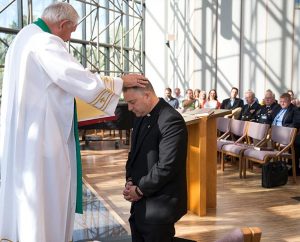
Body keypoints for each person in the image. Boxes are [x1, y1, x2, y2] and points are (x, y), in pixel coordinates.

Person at [0, 2, 147, 242]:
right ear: (62, 25)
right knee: (47, 191)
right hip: (43, 137)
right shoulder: (45, 42)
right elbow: (75, 77)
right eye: (71, 31)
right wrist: (120, 82)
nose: (70, 38)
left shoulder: (24, 37)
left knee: (30, 191)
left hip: (25, 133)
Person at [122, 81, 188, 242]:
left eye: (132, 102)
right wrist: (130, 180)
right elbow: (134, 154)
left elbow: (167, 165)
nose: (129, 108)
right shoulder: (140, 116)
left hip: (160, 204)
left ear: (147, 95)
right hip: (141, 201)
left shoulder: (171, 120)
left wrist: (139, 190)